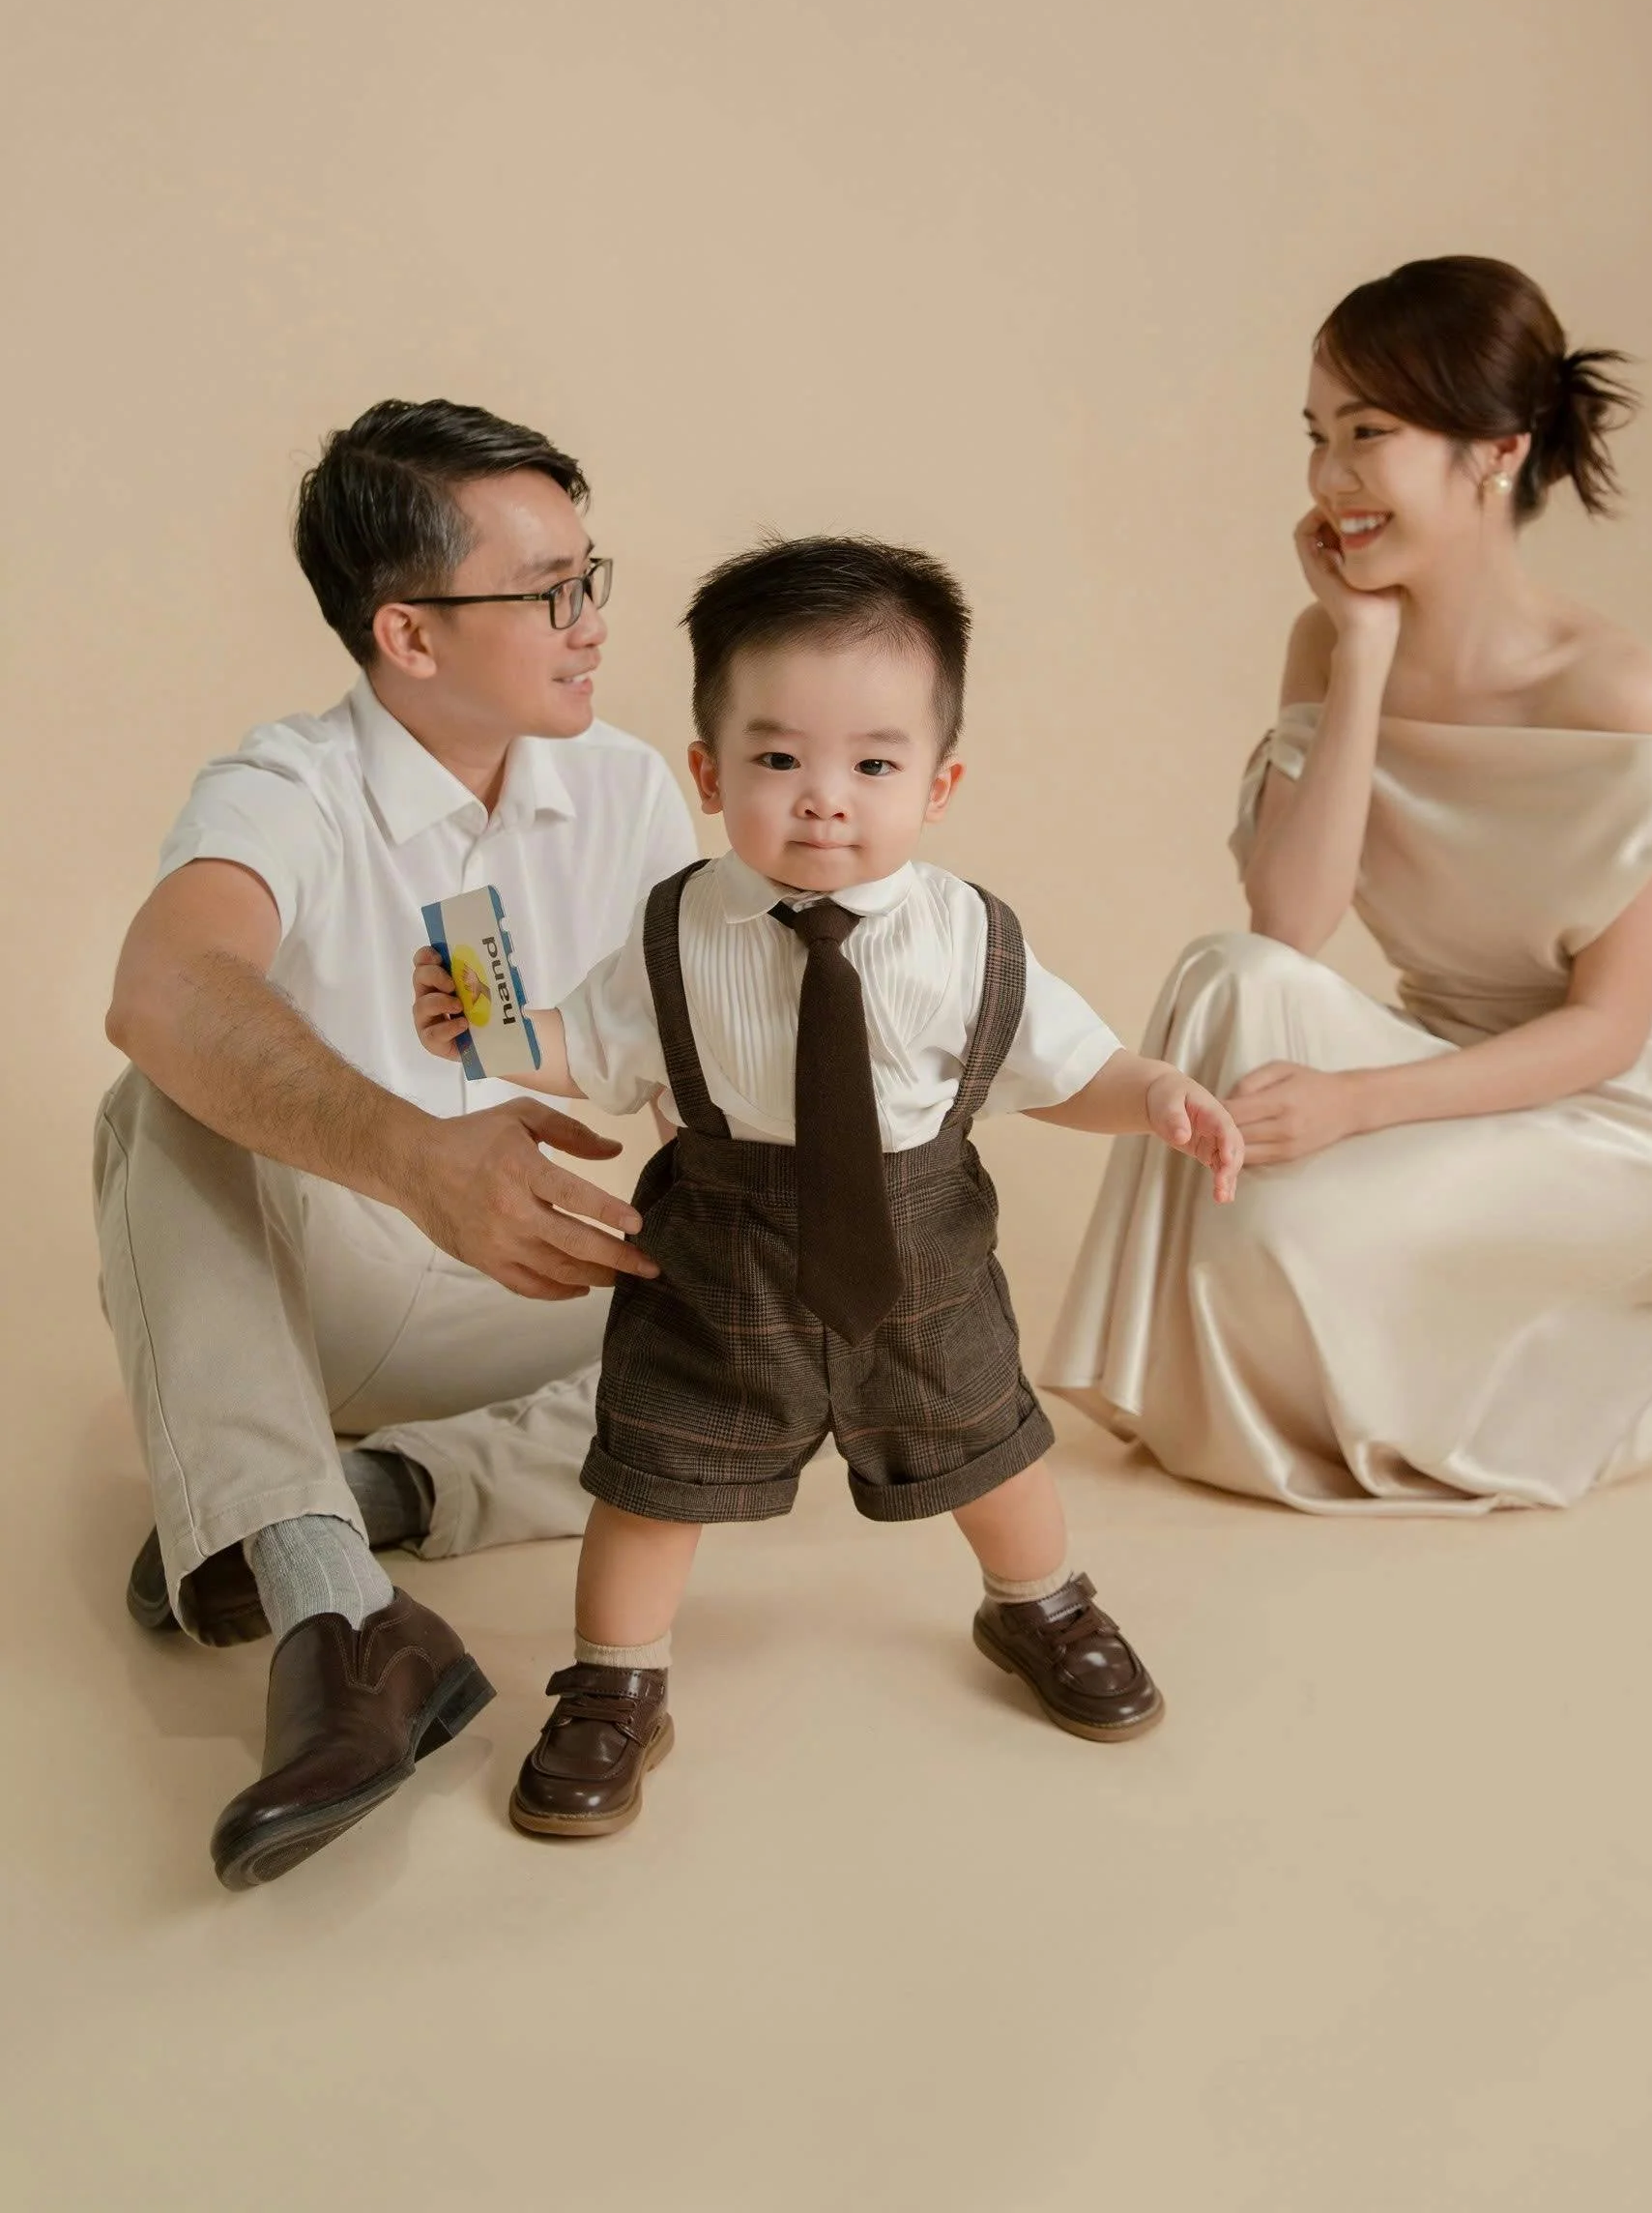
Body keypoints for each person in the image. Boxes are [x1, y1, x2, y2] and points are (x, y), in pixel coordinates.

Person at [413, 537, 1244, 1835]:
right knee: (651, 1473)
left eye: (873, 765)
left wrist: (1153, 1097)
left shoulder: (969, 936)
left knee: (990, 1445)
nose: (823, 802)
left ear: (940, 782)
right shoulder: (676, 931)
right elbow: (590, 1050)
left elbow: (1065, 1067)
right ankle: (615, 1682)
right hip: (718, 1250)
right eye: (778, 761)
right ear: (709, 773)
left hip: (921, 1250)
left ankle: (1040, 1603)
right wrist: (489, 1030)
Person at [1043, 255, 1652, 1513]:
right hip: (1437, 1055)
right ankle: (1239, 1375)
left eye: (1368, 434)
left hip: (1622, 1117)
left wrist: (1359, 1106)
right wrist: (1361, 657)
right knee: (1227, 974)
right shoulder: (1328, 640)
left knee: (1285, 1234)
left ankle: (1577, 1360)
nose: (1330, 480)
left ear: (1497, 452)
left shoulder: (1616, 690)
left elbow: (1609, 1030)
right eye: (1317, 436)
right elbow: (1289, 925)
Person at [96, 398, 695, 1886]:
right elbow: (165, 985)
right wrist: (417, 1160)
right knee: (153, 1097)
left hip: (538, 1282)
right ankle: (336, 1609)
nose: (590, 622)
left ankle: (362, 1498)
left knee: (796, 1331)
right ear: (408, 635)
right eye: (546, 592)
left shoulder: (629, 787)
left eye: (590, 577)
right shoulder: (287, 785)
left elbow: (692, 1073)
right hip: (320, 1284)